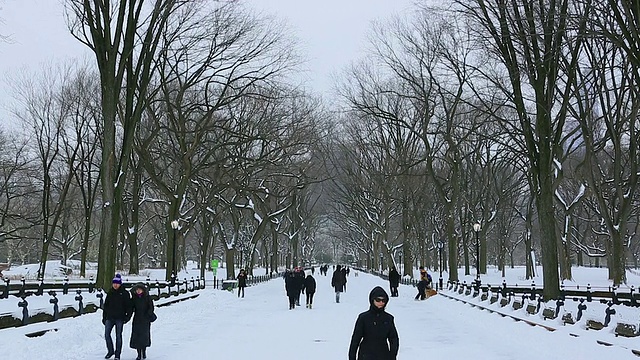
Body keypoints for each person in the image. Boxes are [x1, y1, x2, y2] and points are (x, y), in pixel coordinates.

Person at [348, 286, 399, 360]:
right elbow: (355, 339)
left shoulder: (388, 318)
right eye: (378, 300)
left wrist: (392, 355)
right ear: (372, 300)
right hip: (366, 355)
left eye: (383, 300)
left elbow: (394, 338)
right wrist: (352, 357)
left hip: (383, 355)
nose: (381, 303)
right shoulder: (363, 318)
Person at [103, 274, 131, 360]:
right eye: (114, 283)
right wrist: (104, 317)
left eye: (117, 283)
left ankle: (117, 354)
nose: (115, 285)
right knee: (107, 334)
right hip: (110, 317)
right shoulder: (110, 293)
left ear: (120, 284)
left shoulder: (125, 293)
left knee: (118, 336)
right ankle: (110, 350)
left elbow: (129, 307)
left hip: (120, 317)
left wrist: (127, 317)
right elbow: (106, 306)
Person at [129, 283, 155, 360]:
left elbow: (151, 307)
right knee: (137, 336)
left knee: (144, 336)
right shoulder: (134, 298)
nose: (138, 291)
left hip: (145, 320)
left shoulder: (147, 298)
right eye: (137, 290)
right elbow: (131, 307)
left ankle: (143, 351)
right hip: (137, 319)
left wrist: (148, 314)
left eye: (139, 290)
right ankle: (138, 354)